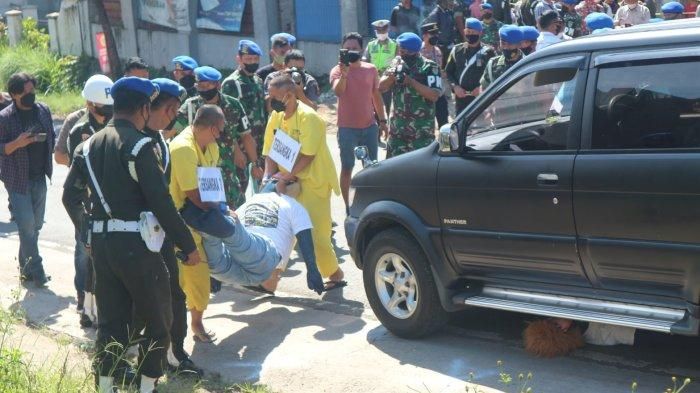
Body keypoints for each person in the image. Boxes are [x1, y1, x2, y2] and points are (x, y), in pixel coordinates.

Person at [63, 77, 200, 393]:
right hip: (138, 248)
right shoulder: (141, 146)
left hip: (102, 245)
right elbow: (160, 202)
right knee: (158, 323)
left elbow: (70, 197)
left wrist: (87, 231)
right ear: (142, 108)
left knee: (110, 326)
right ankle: (146, 388)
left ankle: (106, 387)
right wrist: (187, 245)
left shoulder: (87, 146)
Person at [139, 78, 203, 376]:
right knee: (142, 300)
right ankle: (142, 358)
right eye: (171, 108)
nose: (172, 115)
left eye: (175, 109)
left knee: (175, 296)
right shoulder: (133, 142)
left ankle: (175, 353)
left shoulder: (161, 144)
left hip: (161, 234)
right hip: (134, 238)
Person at [262, 75, 344, 290]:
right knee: (282, 231)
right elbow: (269, 151)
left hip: (313, 182)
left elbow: (308, 155)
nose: (270, 101)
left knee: (316, 234)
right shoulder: (276, 117)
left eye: (274, 97)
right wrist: (268, 177)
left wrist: (286, 177)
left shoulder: (309, 118)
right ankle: (271, 280)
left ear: (288, 95)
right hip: (284, 182)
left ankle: (335, 274)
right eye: (269, 96)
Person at [194, 179, 324, 296]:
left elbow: (232, 224)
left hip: (243, 261)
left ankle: (209, 228)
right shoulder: (294, 206)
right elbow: (304, 238)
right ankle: (211, 230)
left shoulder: (254, 199)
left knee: (231, 250)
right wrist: (312, 270)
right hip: (261, 259)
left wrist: (215, 277)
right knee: (241, 248)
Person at [169, 104, 225, 345]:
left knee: (199, 278)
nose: (221, 136)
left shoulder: (211, 147)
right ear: (212, 128)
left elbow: (213, 184)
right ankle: (180, 329)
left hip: (202, 217)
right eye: (220, 130)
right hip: (180, 222)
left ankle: (194, 322)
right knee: (186, 278)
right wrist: (218, 213)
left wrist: (222, 208)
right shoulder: (182, 148)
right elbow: (192, 192)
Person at [63, 74, 114, 326]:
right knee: (85, 255)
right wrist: (82, 219)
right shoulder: (79, 132)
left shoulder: (117, 123)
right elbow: (78, 176)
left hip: (113, 205)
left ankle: (102, 307)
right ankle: (84, 304)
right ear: (90, 105)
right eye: (101, 107)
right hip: (88, 206)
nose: (106, 112)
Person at [173, 66, 258, 210]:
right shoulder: (191, 107)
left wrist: (255, 164)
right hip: (201, 175)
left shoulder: (233, 105)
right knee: (207, 214)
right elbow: (171, 129)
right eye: (200, 85)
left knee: (237, 213)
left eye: (208, 86)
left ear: (218, 85)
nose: (204, 89)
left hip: (229, 173)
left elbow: (246, 136)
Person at [0, 72, 54, 287]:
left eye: (33, 91)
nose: (31, 95)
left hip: (40, 177)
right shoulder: (4, 118)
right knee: (27, 226)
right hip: (17, 180)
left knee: (35, 226)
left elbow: (51, 134)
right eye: (26, 92)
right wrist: (18, 143)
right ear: (14, 94)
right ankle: (38, 271)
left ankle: (25, 269)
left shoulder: (43, 110)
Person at [330, 32, 387, 216]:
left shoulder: (370, 69)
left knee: (370, 168)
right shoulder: (337, 70)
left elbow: (376, 96)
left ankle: (370, 206)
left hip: (369, 127)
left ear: (361, 49)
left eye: (355, 48)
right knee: (347, 167)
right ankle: (348, 207)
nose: (351, 51)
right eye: (347, 48)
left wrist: (383, 120)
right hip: (347, 129)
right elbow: (338, 92)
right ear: (342, 50)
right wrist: (345, 74)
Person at [379, 33, 442, 158]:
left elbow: (434, 95)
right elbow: (381, 87)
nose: (401, 53)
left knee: (419, 174)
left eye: (403, 50)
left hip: (421, 133)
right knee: (393, 172)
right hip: (397, 133)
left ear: (413, 51)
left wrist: (411, 81)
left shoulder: (429, 66)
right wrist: (392, 76)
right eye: (400, 50)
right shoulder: (396, 63)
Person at [222, 40, 268, 179]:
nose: (252, 62)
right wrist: (236, 150)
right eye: (248, 59)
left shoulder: (258, 80)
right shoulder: (232, 83)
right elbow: (226, 121)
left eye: (255, 59)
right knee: (241, 185)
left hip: (260, 142)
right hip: (241, 143)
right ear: (239, 59)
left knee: (263, 184)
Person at [446, 18, 496, 115]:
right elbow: (448, 72)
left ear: (480, 33)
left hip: (480, 98)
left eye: (473, 32)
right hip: (461, 99)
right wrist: (455, 87)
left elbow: (493, 75)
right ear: (464, 32)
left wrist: (482, 88)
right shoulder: (456, 50)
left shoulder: (488, 52)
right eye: (468, 31)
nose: (470, 34)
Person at [364, 19, 398, 117]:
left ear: (388, 30)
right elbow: (365, 58)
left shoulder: (394, 45)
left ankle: (387, 126)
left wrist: (388, 72)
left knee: (388, 104)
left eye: (383, 30)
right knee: (372, 104)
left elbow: (397, 60)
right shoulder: (371, 45)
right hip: (372, 78)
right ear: (376, 31)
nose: (381, 33)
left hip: (387, 79)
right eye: (379, 31)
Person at [420, 23, 449, 128]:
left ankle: (445, 144)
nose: (435, 36)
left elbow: (439, 69)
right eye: (432, 34)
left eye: (436, 34)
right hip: (425, 93)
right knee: (426, 125)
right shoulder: (418, 51)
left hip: (439, 92)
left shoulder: (437, 50)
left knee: (444, 123)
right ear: (424, 36)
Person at [424, 0, 458, 68]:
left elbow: (451, 28)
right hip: (440, 48)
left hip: (449, 46)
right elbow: (432, 33)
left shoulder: (448, 12)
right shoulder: (435, 15)